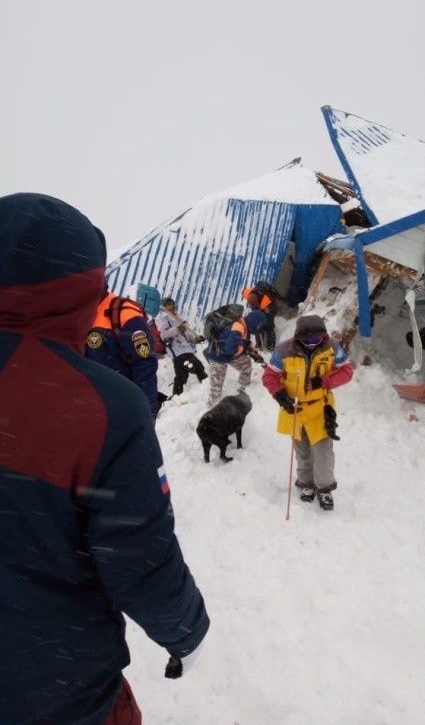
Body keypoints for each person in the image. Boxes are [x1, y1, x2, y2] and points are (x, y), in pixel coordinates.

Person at [0, 193, 210, 725]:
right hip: (55, 694)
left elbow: (139, 364)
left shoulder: (121, 340)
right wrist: (187, 633)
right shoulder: (97, 410)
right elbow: (141, 563)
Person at [262, 314, 353, 511]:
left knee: (323, 452)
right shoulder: (283, 351)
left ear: (324, 336)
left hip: (320, 408)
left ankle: (324, 488)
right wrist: (280, 395)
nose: (312, 343)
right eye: (307, 340)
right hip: (294, 408)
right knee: (302, 450)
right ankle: (306, 484)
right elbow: (269, 377)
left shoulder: (333, 348)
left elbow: (347, 372)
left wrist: (323, 381)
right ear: (297, 337)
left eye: (316, 339)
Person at [85, 280, 159, 418]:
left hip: (121, 413)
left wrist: (144, 415)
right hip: (90, 414)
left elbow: (145, 366)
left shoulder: (124, 312)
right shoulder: (71, 317)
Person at [204, 308, 267, 408]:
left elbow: (244, 341)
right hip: (217, 356)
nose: (258, 329)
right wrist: (245, 351)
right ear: (255, 323)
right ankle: (210, 408)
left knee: (246, 365)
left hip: (229, 355)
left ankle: (242, 390)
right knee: (216, 388)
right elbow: (230, 348)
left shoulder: (244, 325)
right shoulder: (238, 327)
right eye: (259, 326)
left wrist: (254, 353)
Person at [155, 296, 208, 396]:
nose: (170, 307)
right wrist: (178, 329)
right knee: (197, 367)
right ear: (164, 308)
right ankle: (208, 387)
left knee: (181, 377)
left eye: (171, 304)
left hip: (186, 351)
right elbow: (163, 335)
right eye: (167, 305)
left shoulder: (180, 319)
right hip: (178, 351)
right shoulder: (163, 320)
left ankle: (176, 397)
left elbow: (187, 335)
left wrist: (196, 339)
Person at [241, 281, 278, 350]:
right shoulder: (247, 293)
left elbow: (269, 315)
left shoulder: (266, 301)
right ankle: (259, 344)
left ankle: (271, 345)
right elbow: (243, 291)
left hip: (269, 305)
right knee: (257, 324)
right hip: (259, 301)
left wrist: (267, 323)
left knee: (269, 325)